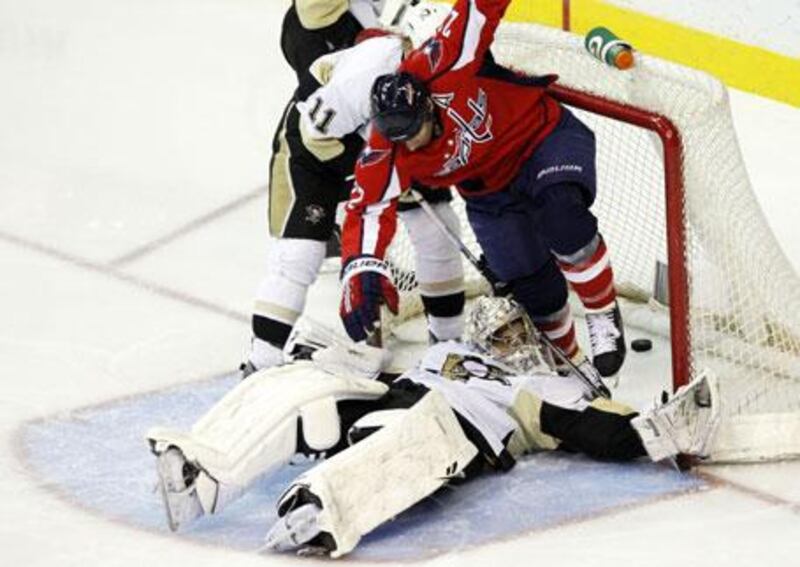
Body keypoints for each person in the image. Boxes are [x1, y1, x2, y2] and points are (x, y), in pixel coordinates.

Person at [146, 296, 719, 556]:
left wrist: (651, 431)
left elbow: (585, 426)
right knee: (298, 387)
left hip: (449, 432)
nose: (512, 343)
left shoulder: (538, 386)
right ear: (479, 340)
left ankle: (323, 509)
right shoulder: (445, 355)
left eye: (519, 332)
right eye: (501, 336)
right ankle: (202, 468)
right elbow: (387, 370)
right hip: (393, 401)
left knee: (409, 439)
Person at [338, 0, 627, 381]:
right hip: (490, 192)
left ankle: (602, 311)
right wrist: (358, 267)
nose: (408, 146)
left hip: (541, 138)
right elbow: (367, 209)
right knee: (533, 290)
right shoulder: (387, 148)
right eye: (397, 138)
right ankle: (570, 366)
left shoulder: (443, 63)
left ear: (425, 107)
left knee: (562, 217)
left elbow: (479, 8)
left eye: (413, 133)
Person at [245, 1, 465, 374]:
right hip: (317, 152)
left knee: (437, 228)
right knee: (299, 255)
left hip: (393, 141)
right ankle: (260, 360)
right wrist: (374, 174)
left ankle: (447, 349)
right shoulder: (368, 70)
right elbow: (316, 136)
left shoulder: (437, 69)